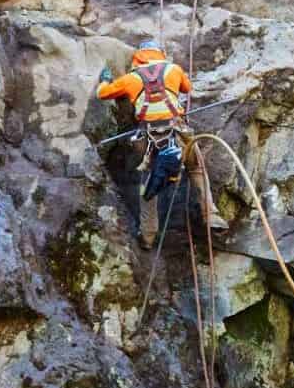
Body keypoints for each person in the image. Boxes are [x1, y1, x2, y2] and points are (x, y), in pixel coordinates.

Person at [97, 39, 227, 249]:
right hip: (177, 134)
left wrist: (105, 79)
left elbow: (102, 94)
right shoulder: (173, 69)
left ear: (138, 57)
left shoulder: (131, 78)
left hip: (147, 141)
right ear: (160, 54)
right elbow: (187, 88)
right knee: (196, 168)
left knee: (149, 183)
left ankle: (148, 236)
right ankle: (211, 216)